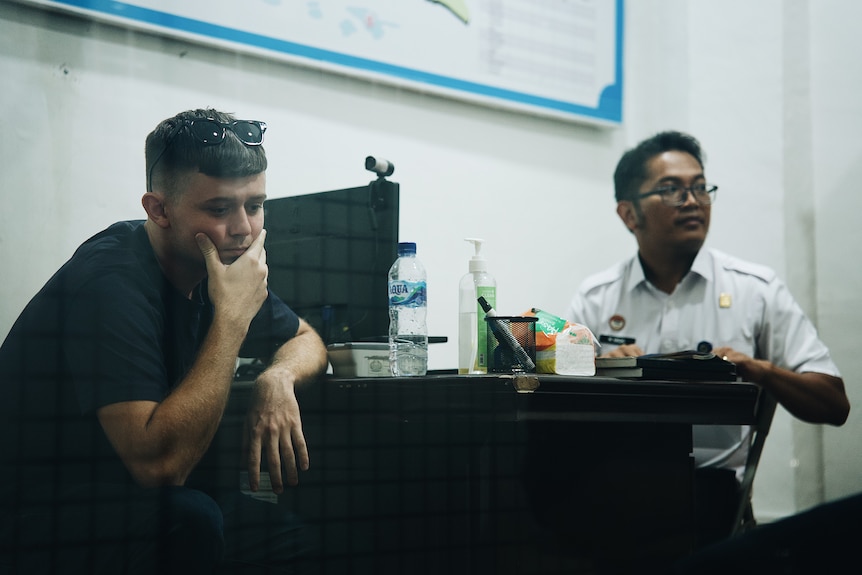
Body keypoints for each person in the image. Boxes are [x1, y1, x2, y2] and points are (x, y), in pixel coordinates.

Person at [0, 108, 329, 574]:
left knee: (298, 542)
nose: (243, 229)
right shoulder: (110, 281)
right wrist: (232, 320)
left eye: (254, 205)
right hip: (37, 511)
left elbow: (306, 338)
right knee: (190, 517)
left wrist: (277, 377)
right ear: (159, 210)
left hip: (137, 500)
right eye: (219, 209)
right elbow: (160, 469)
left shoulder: (219, 263)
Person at [565, 130, 850, 546]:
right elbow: (559, 414)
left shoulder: (755, 289)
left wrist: (761, 371)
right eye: (672, 189)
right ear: (629, 214)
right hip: (617, 497)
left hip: (715, 503)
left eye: (700, 187)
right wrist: (602, 369)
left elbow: (834, 403)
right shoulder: (596, 297)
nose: (693, 201)